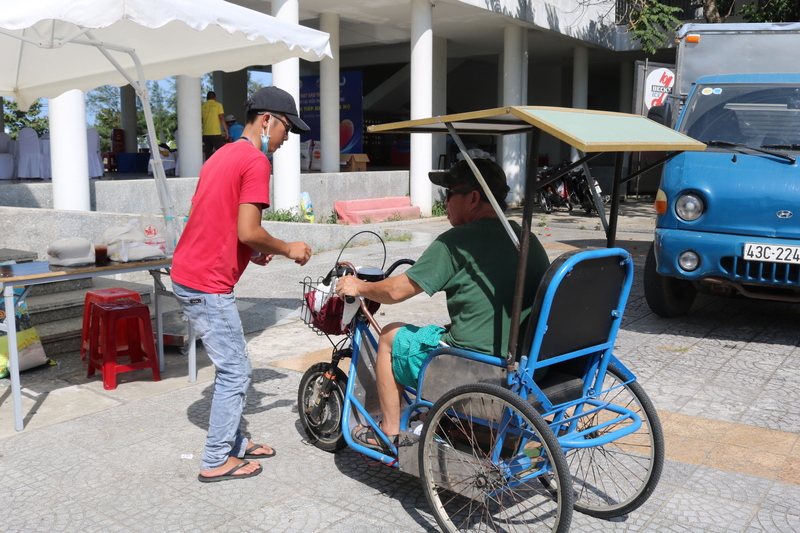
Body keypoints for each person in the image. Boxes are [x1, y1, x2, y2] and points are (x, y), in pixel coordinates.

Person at [335, 159, 550, 453]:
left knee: (389, 335)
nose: (445, 202)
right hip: (527, 366)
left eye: (449, 194)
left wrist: (358, 286)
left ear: (473, 198)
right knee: (440, 329)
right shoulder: (526, 239)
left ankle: (389, 432)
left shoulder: (456, 242)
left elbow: (396, 291)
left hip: (476, 367)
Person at [172, 86, 313, 482]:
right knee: (235, 371)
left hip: (189, 272)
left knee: (233, 366)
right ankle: (216, 459)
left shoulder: (221, 154)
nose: (287, 139)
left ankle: (233, 443)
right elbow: (249, 230)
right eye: (286, 128)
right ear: (267, 120)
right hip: (207, 282)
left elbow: (214, 218)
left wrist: (250, 251)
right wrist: (288, 248)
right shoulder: (255, 160)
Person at [201, 91, 229, 160]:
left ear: (207, 98)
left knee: (208, 154)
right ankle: (221, 166)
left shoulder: (202, 106)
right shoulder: (218, 105)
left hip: (206, 134)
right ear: (215, 98)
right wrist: (226, 130)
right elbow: (221, 118)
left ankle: (209, 166)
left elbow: (201, 120)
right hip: (215, 133)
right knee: (221, 152)